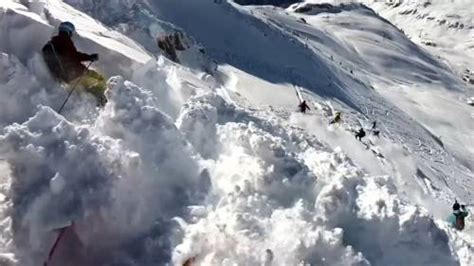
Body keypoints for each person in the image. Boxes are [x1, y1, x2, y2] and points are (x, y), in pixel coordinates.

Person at [42, 22, 107, 106]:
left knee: (91, 81)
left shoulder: (54, 42)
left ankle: (97, 99)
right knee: (98, 78)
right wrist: (89, 57)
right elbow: (74, 56)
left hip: (67, 75)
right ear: (69, 31)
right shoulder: (65, 41)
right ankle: (103, 101)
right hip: (76, 74)